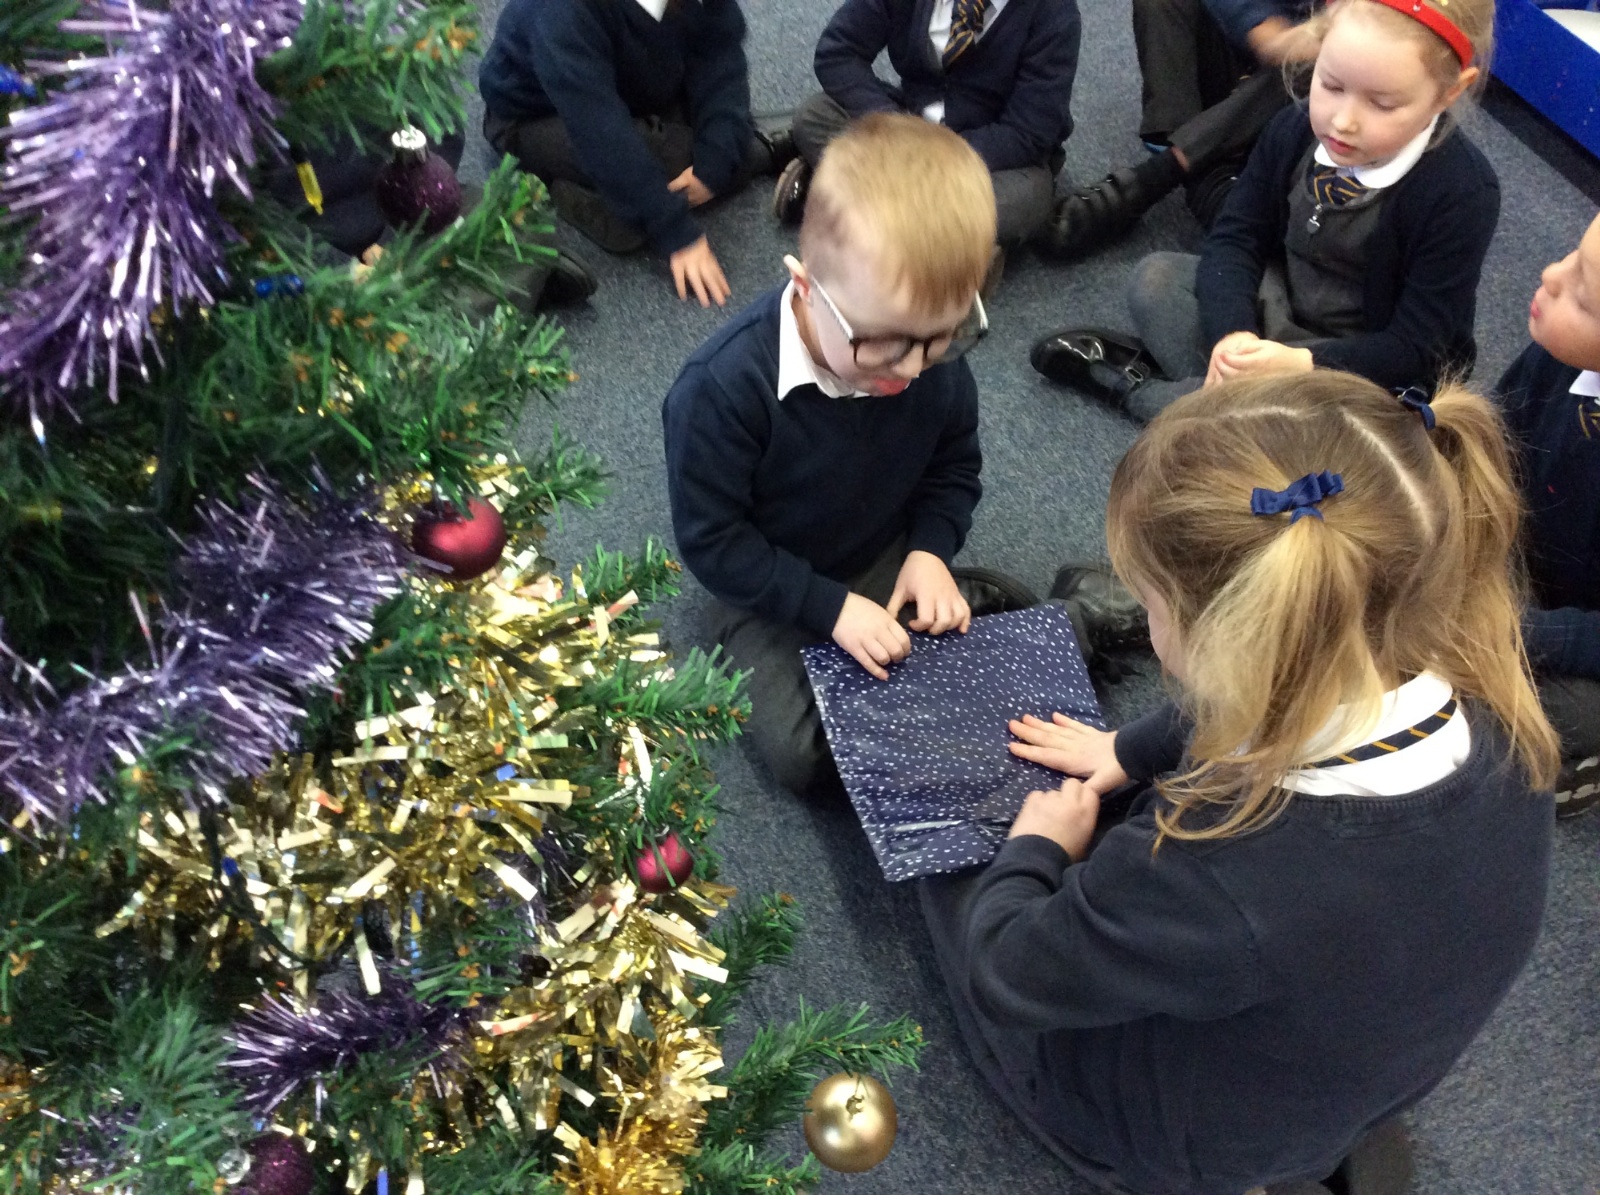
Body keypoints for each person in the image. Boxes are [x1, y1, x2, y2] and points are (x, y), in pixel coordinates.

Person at [924, 371, 1558, 1195]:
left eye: (1149, 604)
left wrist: (1036, 848)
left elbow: (1009, 971)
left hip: (1163, 1137)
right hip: (1351, 1059)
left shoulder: (1211, 867)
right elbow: (1272, 699)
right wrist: (1128, 748)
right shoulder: (1499, 715)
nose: (1150, 625)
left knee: (953, 859)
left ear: (1228, 641)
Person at [663, 114, 1009, 798]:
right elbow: (714, 543)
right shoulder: (719, 391)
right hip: (767, 583)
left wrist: (931, 549)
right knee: (799, 753)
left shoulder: (924, 357)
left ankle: (1000, 602)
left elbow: (953, 468)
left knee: (939, 661)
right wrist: (830, 608)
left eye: (940, 337)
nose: (910, 368)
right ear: (804, 287)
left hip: (882, 549)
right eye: (882, 342)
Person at [1031, 0, 1500, 425]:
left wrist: (1299, 365)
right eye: (1330, 84)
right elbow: (1236, 239)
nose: (1343, 122)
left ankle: (1145, 394)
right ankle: (1234, 408)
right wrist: (1233, 336)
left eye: (1381, 104)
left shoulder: (1460, 190)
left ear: (1448, 93)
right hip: (1279, 316)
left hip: (1364, 369)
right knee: (1155, 280)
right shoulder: (1294, 127)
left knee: (1335, 434)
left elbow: (1416, 349)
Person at [478, 0, 792, 307]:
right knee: (663, 159)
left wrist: (715, 162)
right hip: (539, 116)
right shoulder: (561, 11)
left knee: (716, 138)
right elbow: (601, 132)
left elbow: (720, 57)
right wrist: (677, 232)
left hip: (634, 81)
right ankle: (764, 144)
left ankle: (616, 203)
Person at [774, 0, 1082, 253]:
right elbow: (838, 53)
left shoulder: (1054, 12)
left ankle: (850, 195)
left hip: (985, 156)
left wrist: (936, 156)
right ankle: (939, 247)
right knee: (815, 116)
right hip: (907, 126)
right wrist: (895, 127)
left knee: (1024, 198)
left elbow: (1028, 132)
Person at [1039, 0, 1314, 259]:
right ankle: (1204, 171)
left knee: (1320, 61)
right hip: (1250, 54)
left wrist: (1296, 39)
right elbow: (1268, 37)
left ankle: (1163, 173)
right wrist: (1256, 22)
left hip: (1297, 101)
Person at [1495, 211, 1600, 818]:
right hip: (1526, 577)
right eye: (1571, 256)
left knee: (1561, 713)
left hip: (1581, 643)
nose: (1550, 275)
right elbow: (1494, 439)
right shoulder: (1561, 355)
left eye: (1582, 299)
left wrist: (1520, 633)